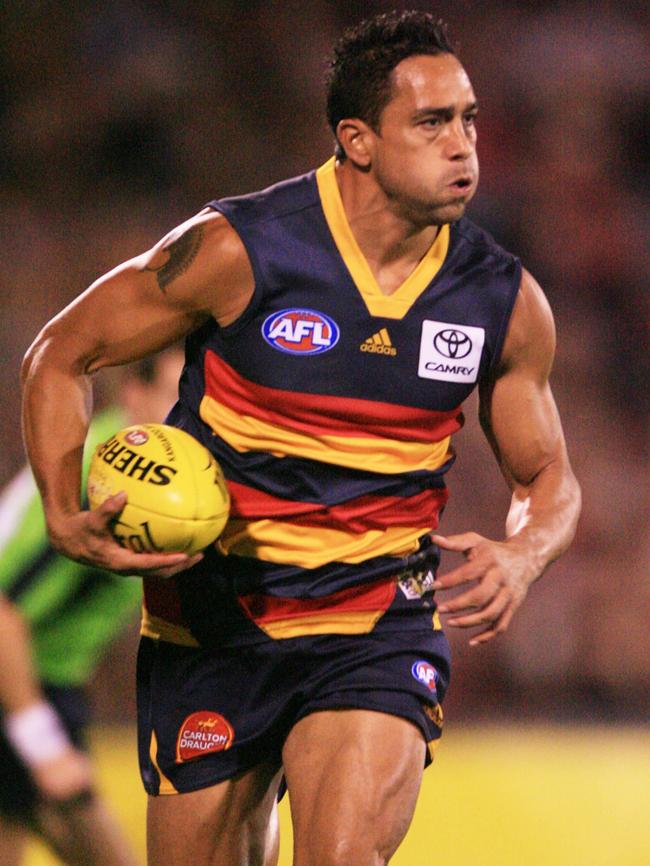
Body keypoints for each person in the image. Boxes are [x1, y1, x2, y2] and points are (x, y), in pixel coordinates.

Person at [20, 10, 581, 866]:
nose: (464, 145)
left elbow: (549, 477)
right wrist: (63, 513)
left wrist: (525, 553)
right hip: (213, 629)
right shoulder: (239, 247)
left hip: (377, 625)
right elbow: (61, 352)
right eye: (431, 123)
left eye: (468, 118)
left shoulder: (501, 300)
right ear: (357, 140)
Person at [1, 348, 183, 866]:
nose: (183, 419)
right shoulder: (94, 482)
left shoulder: (152, 479)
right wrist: (42, 743)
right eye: (171, 398)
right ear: (133, 395)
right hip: (22, 687)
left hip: (41, 681)